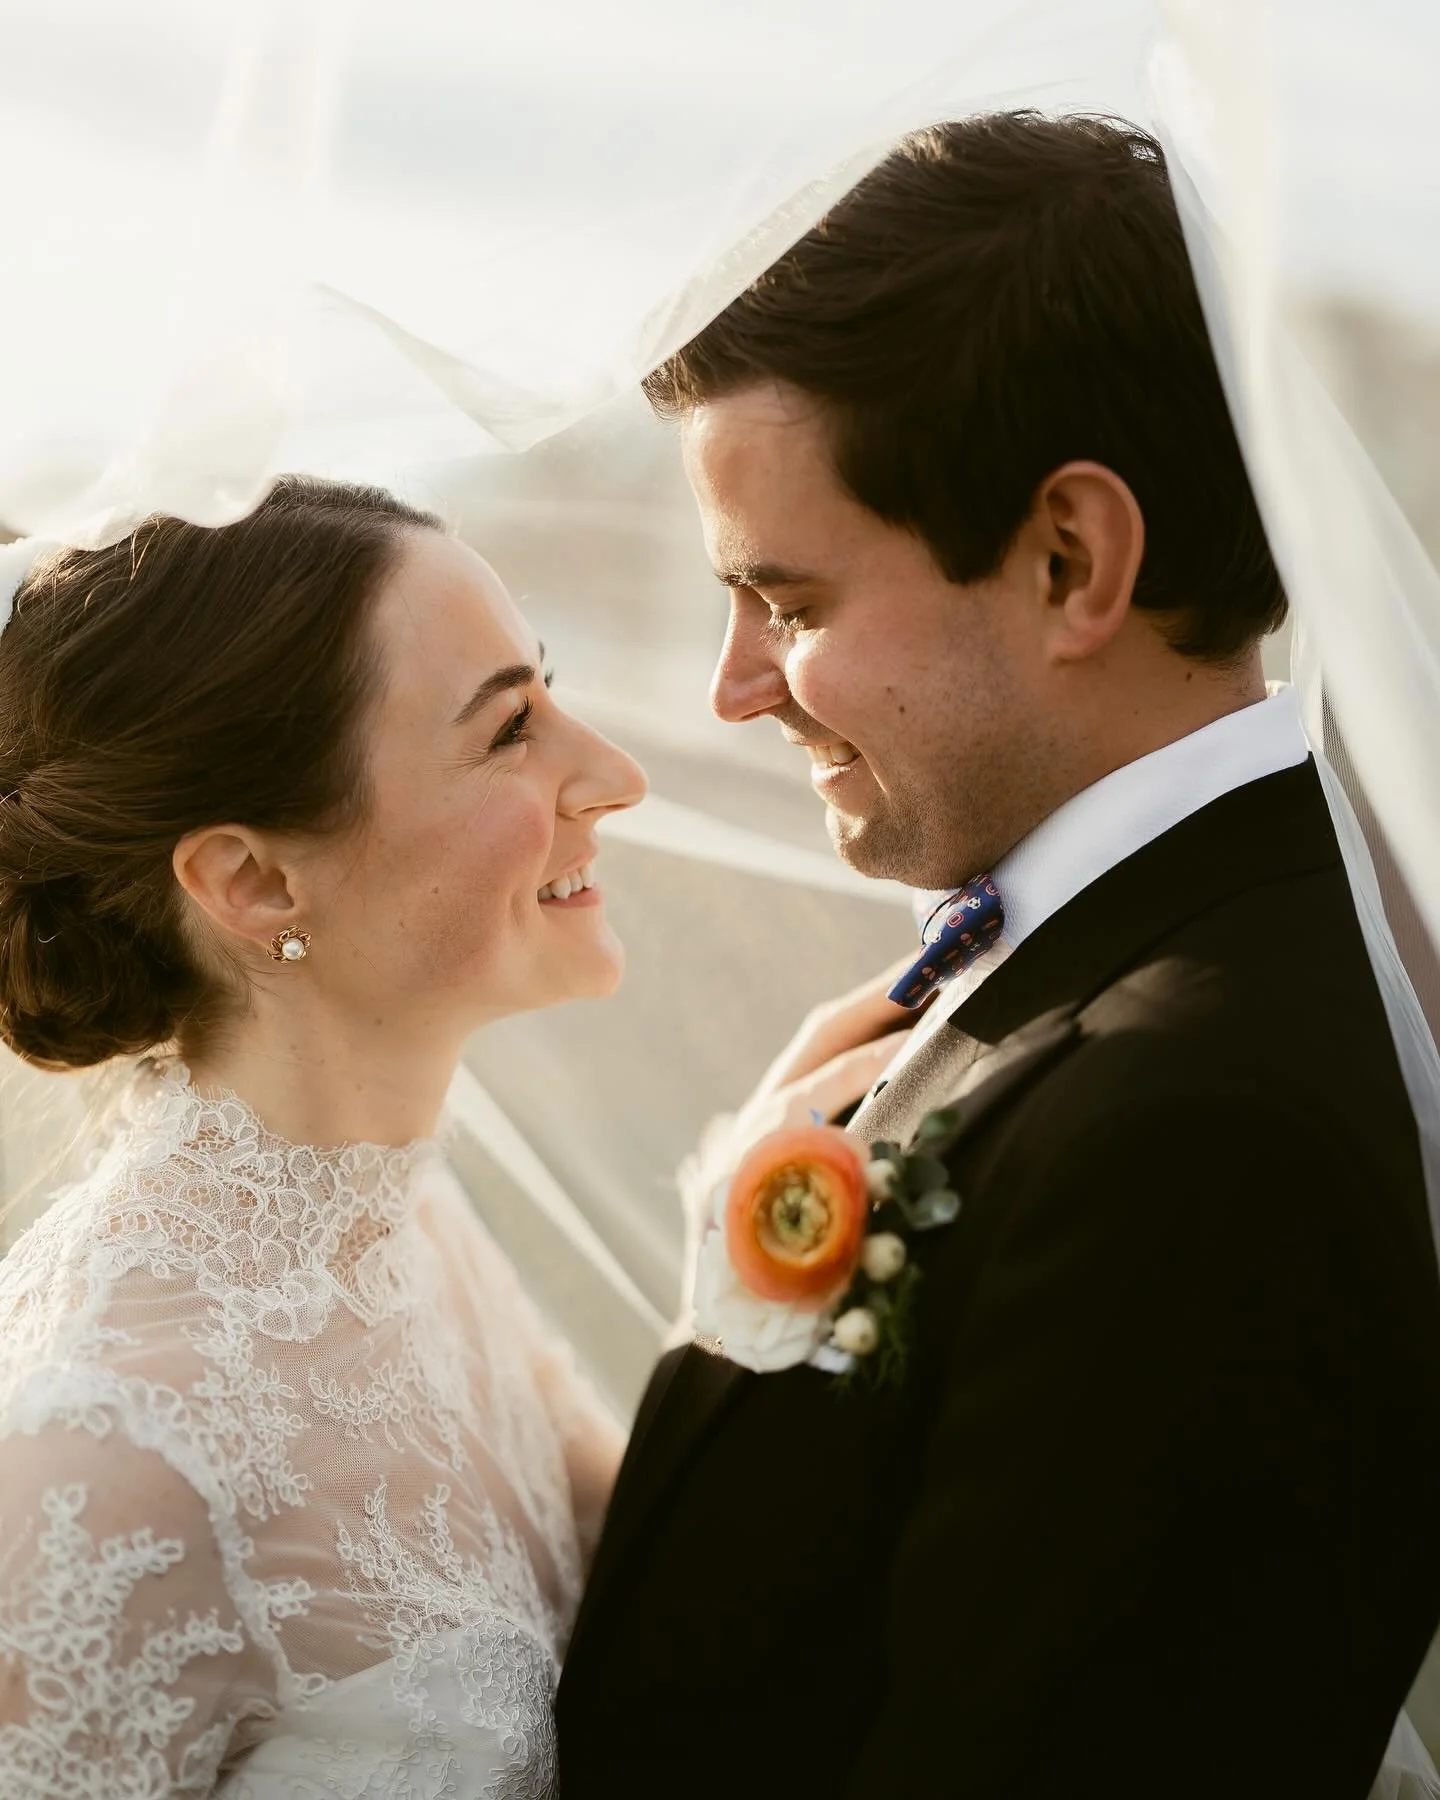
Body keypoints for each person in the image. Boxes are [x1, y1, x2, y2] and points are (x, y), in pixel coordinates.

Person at [555, 113, 1440, 1797]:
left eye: (793, 603)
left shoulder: (1194, 1121)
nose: (738, 688)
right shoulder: (1092, 986)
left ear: (1070, 560)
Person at [0, 476, 646, 1795]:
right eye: (512, 728)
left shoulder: (403, 1229)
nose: (616, 778)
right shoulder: (104, 1465)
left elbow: (676, 1572)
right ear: (253, 880)